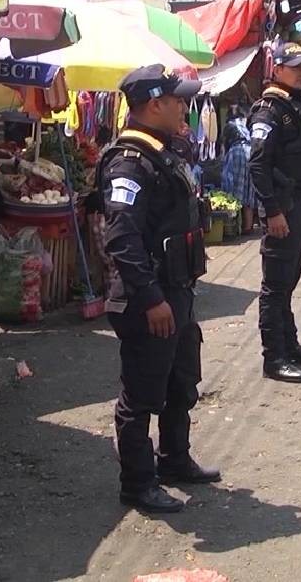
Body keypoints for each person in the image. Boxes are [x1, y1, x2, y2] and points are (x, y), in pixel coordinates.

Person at [98, 65, 220, 514]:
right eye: (178, 100)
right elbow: (121, 238)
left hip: (177, 290)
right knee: (142, 394)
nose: (185, 107)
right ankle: (137, 482)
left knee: (180, 382)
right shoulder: (129, 162)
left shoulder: (161, 153)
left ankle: (174, 460)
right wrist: (151, 299)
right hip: (147, 298)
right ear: (154, 105)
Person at [249, 40, 301, 384]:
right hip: (281, 206)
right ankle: (274, 357)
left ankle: (290, 345)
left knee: (289, 280)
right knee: (275, 284)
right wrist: (272, 210)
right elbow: (258, 165)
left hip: (300, 201)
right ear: (277, 69)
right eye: (294, 67)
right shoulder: (269, 110)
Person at [220, 106, 256, 235]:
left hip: (237, 153)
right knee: (248, 190)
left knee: (234, 189)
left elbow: (225, 144)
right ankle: (248, 226)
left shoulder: (229, 126)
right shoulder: (246, 123)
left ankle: (234, 226)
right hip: (250, 153)